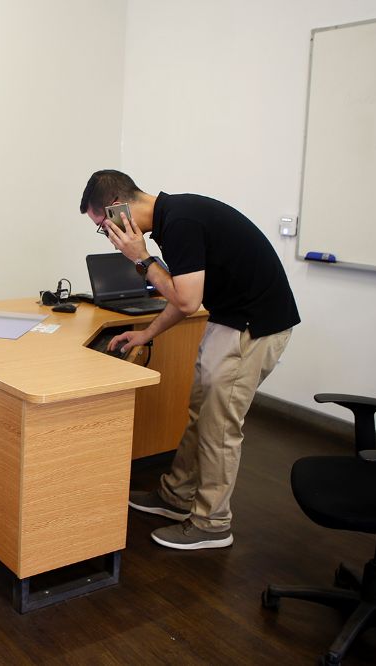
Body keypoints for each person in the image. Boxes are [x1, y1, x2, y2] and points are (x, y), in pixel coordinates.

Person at [79, 170, 300, 550]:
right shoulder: (173, 217)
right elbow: (185, 296)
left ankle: (213, 523)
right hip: (231, 317)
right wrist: (147, 333)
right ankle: (177, 496)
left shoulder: (180, 222)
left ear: (117, 209)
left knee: (220, 425)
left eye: (104, 226)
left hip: (253, 326)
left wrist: (141, 258)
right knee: (202, 412)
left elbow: (186, 300)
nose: (110, 236)